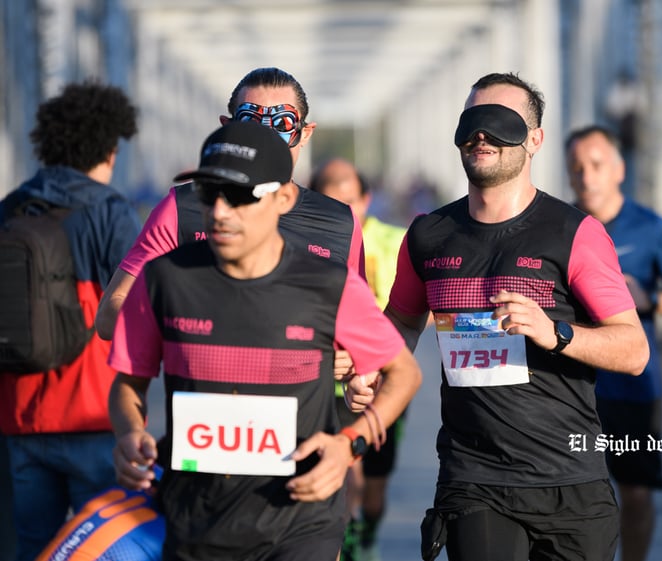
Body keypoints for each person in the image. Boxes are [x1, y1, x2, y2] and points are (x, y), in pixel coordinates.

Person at [349, 72, 650, 561]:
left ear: (535, 140)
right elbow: (401, 323)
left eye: (500, 122)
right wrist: (370, 372)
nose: (481, 134)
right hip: (474, 478)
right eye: (472, 121)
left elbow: (634, 350)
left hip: (569, 480)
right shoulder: (428, 235)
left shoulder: (575, 233)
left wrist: (555, 332)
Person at [107, 121, 422, 561]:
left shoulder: (328, 285)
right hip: (195, 519)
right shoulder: (164, 279)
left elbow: (403, 372)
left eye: (240, 196)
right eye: (209, 193)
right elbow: (128, 382)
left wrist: (351, 443)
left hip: (301, 523)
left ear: (285, 198)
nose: (219, 211)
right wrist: (129, 432)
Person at [95, 66, 365, 341]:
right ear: (228, 127)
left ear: (305, 133)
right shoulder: (183, 208)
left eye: (282, 123)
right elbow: (109, 316)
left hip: (307, 385)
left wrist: (351, 357)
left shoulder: (339, 222)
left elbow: (365, 334)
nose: (265, 137)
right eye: (250, 122)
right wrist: (190, 322)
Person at [0, 81, 141, 561]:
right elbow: (135, 307)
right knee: (104, 550)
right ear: (109, 148)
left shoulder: (11, 208)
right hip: (92, 415)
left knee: (31, 549)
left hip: (19, 416)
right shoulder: (110, 212)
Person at [565, 125, 662, 561]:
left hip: (634, 385)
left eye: (597, 165)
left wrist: (652, 299)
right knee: (571, 499)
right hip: (569, 385)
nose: (587, 176)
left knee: (636, 496)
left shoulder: (651, 228)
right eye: (577, 167)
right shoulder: (558, 227)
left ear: (619, 169)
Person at [310, 159, 409, 561]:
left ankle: (366, 529)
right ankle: (346, 542)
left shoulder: (396, 240)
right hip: (324, 387)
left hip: (384, 380)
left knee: (374, 487)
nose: (344, 214)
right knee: (346, 469)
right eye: (332, 203)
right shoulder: (302, 238)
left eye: (350, 202)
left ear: (367, 200)